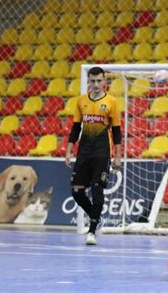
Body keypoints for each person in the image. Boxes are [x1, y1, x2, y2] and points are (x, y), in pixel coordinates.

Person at [65, 66, 122, 245]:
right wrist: (68, 149)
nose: (96, 84)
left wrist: (118, 156)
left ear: (104, 82)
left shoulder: (111, 102)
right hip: (84, 152)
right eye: (93, 81)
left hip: (102, 152)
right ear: (88, 82)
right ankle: (95, 217)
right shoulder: (81, 101)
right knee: (77, 192)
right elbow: (75, 128)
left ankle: (92, 231)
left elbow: (117, 131)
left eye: (99, 81)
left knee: (97, 190)